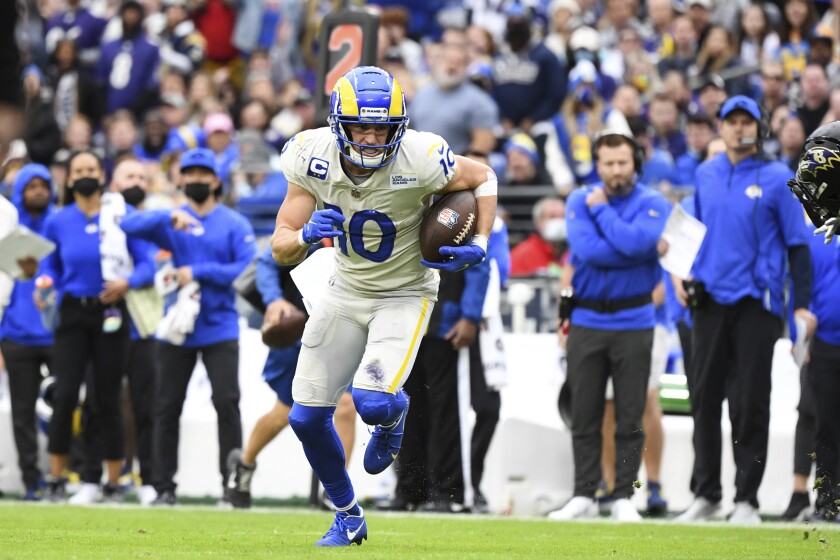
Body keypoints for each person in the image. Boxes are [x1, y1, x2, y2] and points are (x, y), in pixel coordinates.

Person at [271, 66, 497, 546]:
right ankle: (347, 514)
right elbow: (280, 245)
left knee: (372, 402)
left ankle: (393, 415)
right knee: (305, 417)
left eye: (382, 128)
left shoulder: (421, 155)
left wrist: (480, 239)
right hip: (342, 287)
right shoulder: (310, 156)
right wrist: (306, 236)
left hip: (404, 292)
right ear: (338, 125)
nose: (372, 138)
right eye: (361, 127)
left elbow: (484, 176)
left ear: (400, 127)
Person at [674, 95, 814, 525]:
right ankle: (706, 493)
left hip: (758, 303)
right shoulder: (706, 172)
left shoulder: (778, 178)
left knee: (750, 402)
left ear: (760, 127)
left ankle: (747, 500)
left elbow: (798, 248)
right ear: (721, 127)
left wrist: (803, 306)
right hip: (710, 300)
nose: (738, 128)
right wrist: (679, 272)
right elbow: (689, 228)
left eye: (746, 121)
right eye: (731, 121)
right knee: (703, 399)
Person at [119, 148, 257, 506]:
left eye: (202, 174)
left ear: (214, 180)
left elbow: (244, 270)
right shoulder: (173, 219)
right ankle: (164, 488)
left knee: (227, 405)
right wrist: (169, 215)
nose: (195, 180)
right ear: (181, 179)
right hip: (178, 328)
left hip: (220, 326)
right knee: (166, 406)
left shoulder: (233, 223)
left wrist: (196, 272)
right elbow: (127, 225)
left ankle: (233, 488)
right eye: (189, 174)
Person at [547, 130, 670, 522]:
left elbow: (636, 245)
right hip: (586, 318)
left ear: (635, 162)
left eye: (623, 162)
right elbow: (588, 251)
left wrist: (603, 214)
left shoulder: (652, 201)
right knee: (584, 412)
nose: (616, 170)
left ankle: (622, 496)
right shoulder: (578, 198)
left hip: (635, 319)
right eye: (609, 163)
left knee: (631, 413)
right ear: (597, 165)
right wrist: (633, 245)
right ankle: (583, 493)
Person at [40, 149, 154, 501]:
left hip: (111, 312)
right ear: (70, 178)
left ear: (101, 175)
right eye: (80, 169)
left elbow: (146, 264)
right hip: (73, 313)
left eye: (92, 168)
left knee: (108, 398)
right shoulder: (59, 220)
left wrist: (127, 283)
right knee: (66, 394)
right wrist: (44, 283)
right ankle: (58, 478)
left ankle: (112, 480)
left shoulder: (122, 215)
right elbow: (48, 266)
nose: (87, 174)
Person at [226, 246, 357, 509]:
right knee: (284, 412)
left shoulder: (363, 223)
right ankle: (245, 464)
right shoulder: (312, 221)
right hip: (298, 330)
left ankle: (336, 493)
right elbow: (267, 261)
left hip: (342, 329)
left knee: (346, 407)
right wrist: (274, 299)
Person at [0, 164, 56, 500]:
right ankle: (32, 480)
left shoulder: (60, 225)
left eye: (43, 185)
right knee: (22, 412)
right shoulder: (6, 226)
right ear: (19, 190)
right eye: (30, 185)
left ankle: (70, 473)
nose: (37, 190)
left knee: (68, 404)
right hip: (17, 334)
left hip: (56, 333)